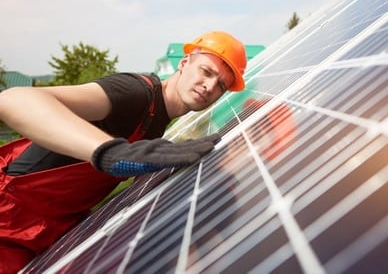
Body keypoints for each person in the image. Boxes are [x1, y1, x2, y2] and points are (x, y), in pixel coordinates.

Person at [0, 31, 248, 272]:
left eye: (221, 85)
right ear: (184, 63)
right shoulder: (135, 93)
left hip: (46, 231)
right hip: (8, 220)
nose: (209, 86)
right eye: (206, 71)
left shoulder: (158, 120)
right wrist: (111, 152)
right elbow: (13, 100)